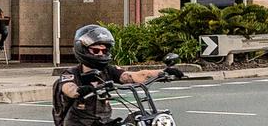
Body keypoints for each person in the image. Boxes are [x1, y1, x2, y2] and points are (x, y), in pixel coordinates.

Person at [53, 24, 185, 125]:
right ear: (82, 49)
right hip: (79, 123)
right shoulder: (72, 73)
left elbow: (133, 76)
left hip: (103, 122)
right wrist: (81, 90)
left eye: (104, 50)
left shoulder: (108, 70)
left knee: (137, 119)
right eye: (96, 50)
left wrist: (163, 72)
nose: (101, 54)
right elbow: (68, 88)